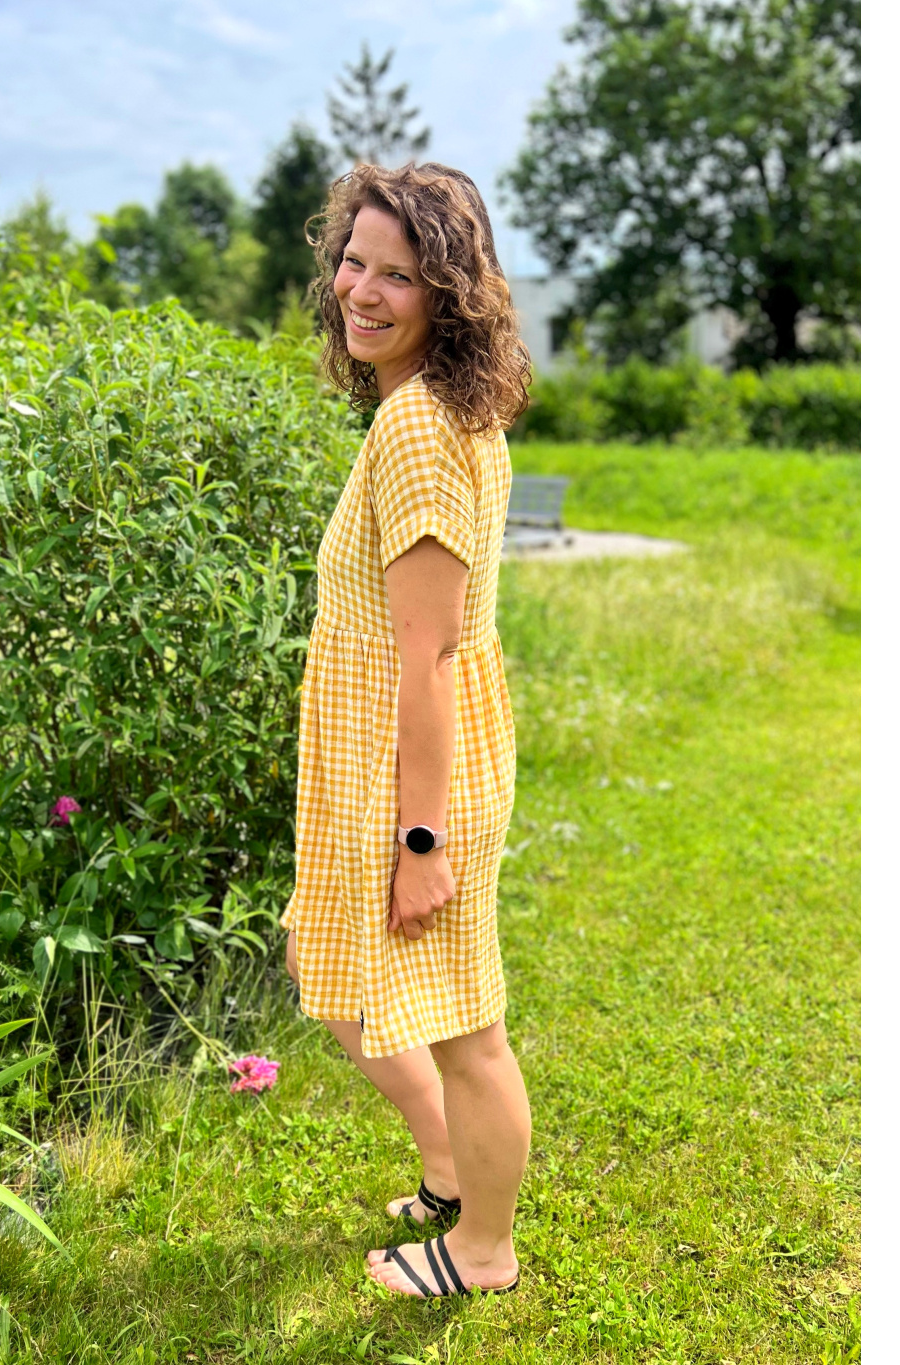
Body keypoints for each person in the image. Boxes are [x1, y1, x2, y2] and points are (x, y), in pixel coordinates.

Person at [281, 161, 532, 1299]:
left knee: (466, 1028)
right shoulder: (426, 406)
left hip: (411, 772)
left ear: (449, 292)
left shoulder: (422, 427)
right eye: (354, 262)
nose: (362, 291)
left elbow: (426, 655)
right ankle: (446, 1167)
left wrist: (419, 842)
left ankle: (483, 1248)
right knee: (322, 957)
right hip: (376, 760)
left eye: (399, 274)